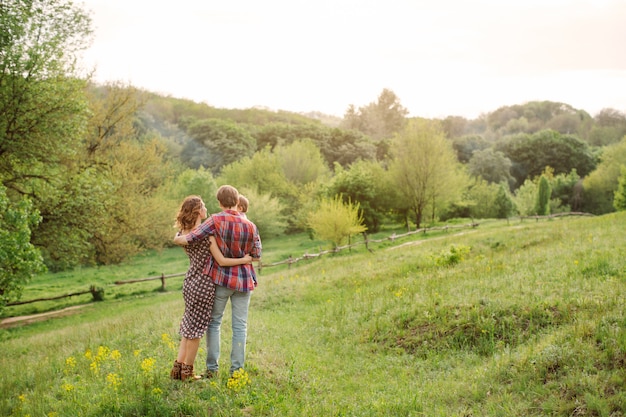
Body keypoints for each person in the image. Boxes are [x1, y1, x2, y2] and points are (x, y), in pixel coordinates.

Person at [174, 185, 261, 377]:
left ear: (219, 202)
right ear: (237, 201)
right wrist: (245, 257)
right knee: (240, 326)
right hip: (244, 281)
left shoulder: (215, 220)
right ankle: (236, 371)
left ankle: (212, 370)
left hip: (222, 280)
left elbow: (191, 237)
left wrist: (177, 237)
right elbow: (257, 254)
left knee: (214, 324)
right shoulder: (251, 226)